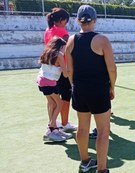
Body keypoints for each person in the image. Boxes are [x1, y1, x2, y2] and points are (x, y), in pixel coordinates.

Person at [65, 5, 116, 173]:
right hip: (98, 90)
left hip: (79, 89)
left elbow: (69, 70)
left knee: (82, 127)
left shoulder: (71, 40)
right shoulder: (102, 40)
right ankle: (102, 169)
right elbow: (112, 69)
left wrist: (75, 85)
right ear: (94, 20)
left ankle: (85, 161)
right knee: (103, 130)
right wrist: (112, 87)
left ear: (78, 20)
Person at [44, 7, 77, 132]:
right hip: (62, 68)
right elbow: (68, 51)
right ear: (62, 20)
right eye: (66, 20)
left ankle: (52, 122)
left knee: (52, 99)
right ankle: (64, 123)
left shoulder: (48, 30)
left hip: (50, 68)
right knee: (65, 97)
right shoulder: (63, 32)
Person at [37, 36, 70, 142]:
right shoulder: (60, 55)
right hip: (50, 83)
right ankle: (50, 128)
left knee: (52, 104)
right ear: (61, 47)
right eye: (64, 47)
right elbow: (65, 74)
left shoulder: (47, 52)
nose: (65, 50)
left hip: (41, 81)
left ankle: (54, 129)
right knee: (59, 104)